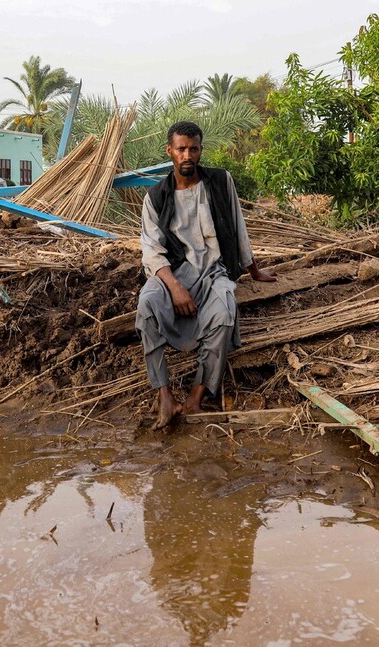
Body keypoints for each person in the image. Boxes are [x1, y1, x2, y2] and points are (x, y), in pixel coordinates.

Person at [136, 121, 276, 430]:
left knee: (225, 313)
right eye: (181, 149)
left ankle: (196, 397)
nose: (187, 155)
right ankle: (165, 396)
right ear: (169, 151)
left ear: (201, 150)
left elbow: (238, 227)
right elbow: (151, 251)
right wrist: (174, 288)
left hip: (215, 271)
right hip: (172, 273)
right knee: (146, 305)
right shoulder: (156, 197)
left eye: (193, 149)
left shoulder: (220, 182)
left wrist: (253, 270)